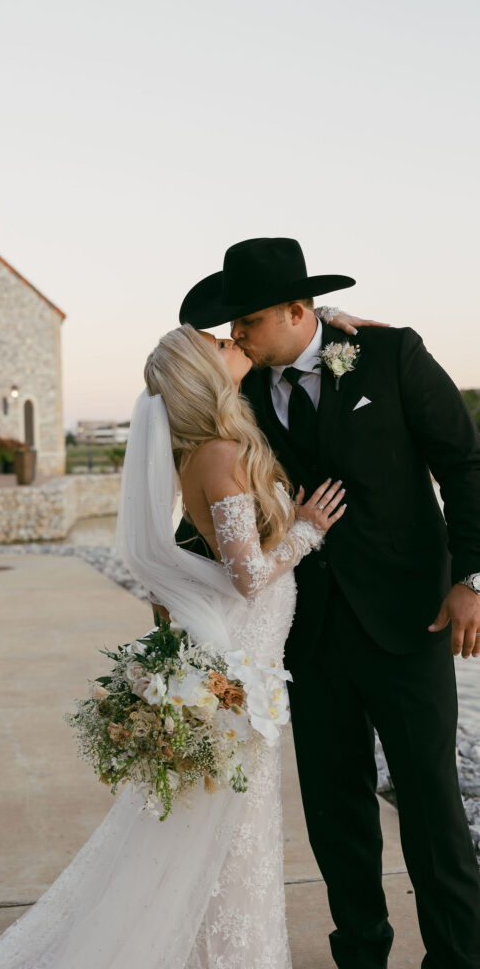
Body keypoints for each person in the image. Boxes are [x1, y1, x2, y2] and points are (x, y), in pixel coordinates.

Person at [0, 315, 348, 969]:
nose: (233, 341)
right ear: (202, 373)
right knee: (235, 826)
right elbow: (248, 576)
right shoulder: (220, 454)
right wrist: (305, 531)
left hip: (248, 648)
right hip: (242, 649)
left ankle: (214, 947)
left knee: (230, 825)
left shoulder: (214, 445)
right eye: (220, 344)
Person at [177, 236, 480, 969]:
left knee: (432, 807)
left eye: (246, 319)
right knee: (335, 812)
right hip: (302, 637)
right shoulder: (236, 392)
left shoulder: (389, 355)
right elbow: (206, 519)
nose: (237, 334)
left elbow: (464, 464)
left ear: (295, 309)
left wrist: (471, 580)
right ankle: (361, 957)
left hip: (412, 619)